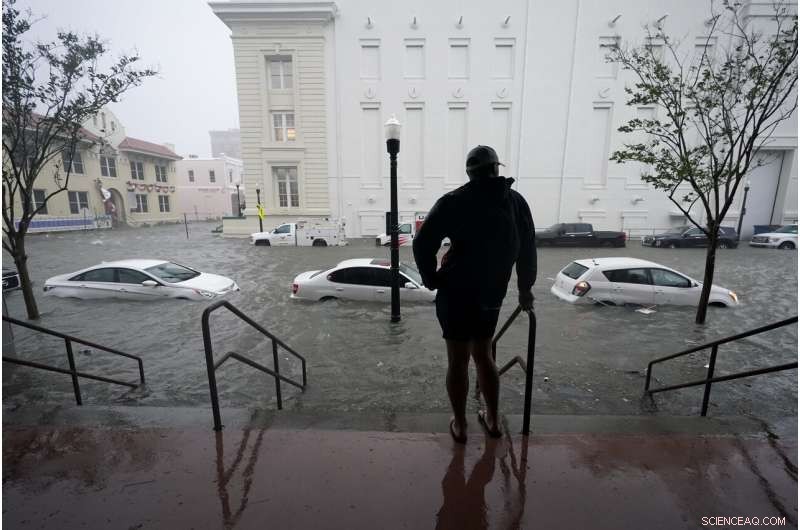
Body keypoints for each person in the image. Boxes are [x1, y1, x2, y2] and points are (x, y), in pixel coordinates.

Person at [412, 145, 536, 443]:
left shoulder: (454, 201)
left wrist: (430, 278)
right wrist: (524, 289)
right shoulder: (516, 202)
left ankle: (461, 424)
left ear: (469, 172)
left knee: (457, 360)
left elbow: (422, 243)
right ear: (497, 169)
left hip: (455, 292)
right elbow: (527, 249)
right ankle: (492, 420)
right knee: (484, 355)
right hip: (492, 294)